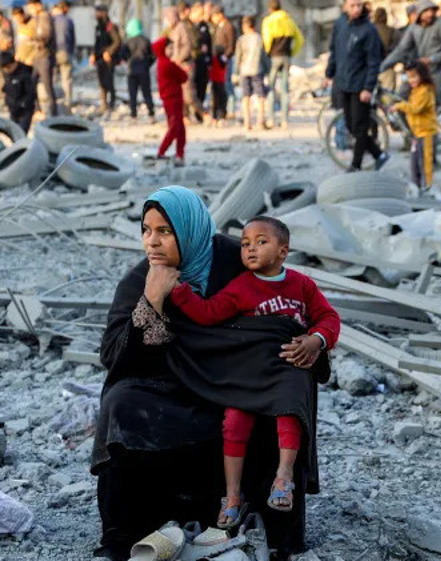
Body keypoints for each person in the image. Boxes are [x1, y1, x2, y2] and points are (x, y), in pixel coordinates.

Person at [93, 185, 325, 560]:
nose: (152, 242)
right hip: (172, 387)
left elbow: (292, 309)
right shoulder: (142, 279)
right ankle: (126, 533)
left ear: (189, 230)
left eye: (164, 232)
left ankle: (274, 525)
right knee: (121, 402)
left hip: (240, 383)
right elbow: (115, 359)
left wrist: (313, 340)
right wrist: (152, 300)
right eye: (146, 231)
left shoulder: (239, 260)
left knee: (289, 384)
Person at [168, 215, 340, 527]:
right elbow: (208, 314)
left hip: (289, 364)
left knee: (290, 406)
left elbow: (328, 317)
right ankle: (232, 495)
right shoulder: (241, 288)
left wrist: (316, 340)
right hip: (249, 368)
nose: (250, 249)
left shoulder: (302, 285)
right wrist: (179, 292)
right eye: (245, 244)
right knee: (234, 421)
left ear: (283, 251)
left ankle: (283, 477)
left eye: (261, 242)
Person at [326, 0, 389, 172]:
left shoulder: (369, 30)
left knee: (360, 127)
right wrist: (329, 73)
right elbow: (334, 50)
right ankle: (379, 154)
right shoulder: (340, 24)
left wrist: (368, 88)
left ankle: (356, 165)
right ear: (345, 5)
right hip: (343, 83)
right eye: (352, 5)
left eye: (359, 6)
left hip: (360, 87)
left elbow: (373, 62)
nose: (356, 9)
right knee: (350, 125)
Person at [390, 61, 437, 191]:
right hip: (416, 133)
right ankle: (416, 186)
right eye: (409, 77)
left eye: (414, 76)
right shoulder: (415, 90)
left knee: (425, 163)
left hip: (426, 133)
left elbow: (416, 109)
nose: (411, 80)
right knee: (414, 164)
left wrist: (399, 106)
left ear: (422, 75)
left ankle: (428, 186)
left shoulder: (425, 91)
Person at [262, 0, 304, 128]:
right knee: (285, 89)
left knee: (271, 88)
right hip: (286, 56)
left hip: (274, 57)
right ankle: (285, 120)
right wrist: (292, 51)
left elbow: (267, 40)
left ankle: (271, 119)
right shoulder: (289, 21)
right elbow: (300, 40)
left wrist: (268, 52)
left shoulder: (268, 21)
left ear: (270, 9)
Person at [409, 0, 441, 107]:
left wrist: (431, 59)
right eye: (426, 11)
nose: (430, 14)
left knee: (431, 106)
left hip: (439, 72)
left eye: (431, 11)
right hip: (422, 72)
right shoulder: (415, 29)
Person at [167, 4, 205, 123]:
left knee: (189, 95)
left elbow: (187, 46)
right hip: (176, 66)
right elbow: (170, 47)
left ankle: (206, 114)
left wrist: (179, 58)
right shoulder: (172, 30)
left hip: (186, 64)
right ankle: (184, 117)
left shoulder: (182, 27)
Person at [154, 38, 188, 165]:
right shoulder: (168, 64)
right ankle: (162, 151)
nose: (172, 51)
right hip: (173, 98)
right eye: (170, 48)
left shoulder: (162, 63)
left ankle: (180, 153)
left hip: (170, 98)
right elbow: (184, 77)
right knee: (175, 127)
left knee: (179, 127)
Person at [236, 15, 267, 131]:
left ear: (246, 26)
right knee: (261, 96)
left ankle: (247, 122)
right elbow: (264, 56)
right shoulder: (259, 38)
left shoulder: (241, 39)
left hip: (244, 70)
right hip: (257, 69)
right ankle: (260, 121)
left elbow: (238, 57)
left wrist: (236, 71)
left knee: (246, 97)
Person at [26, 0, 57, 117]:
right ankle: (37, 110)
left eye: (31, 7)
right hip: (38, 56)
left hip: (45, 56)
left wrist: (33, 40)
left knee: (47, 86)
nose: (30, 10)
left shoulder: (45, 17)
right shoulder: (37, 18)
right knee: (32, 84)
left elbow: (46, 36)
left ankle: (53, 113)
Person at [120, 18, 155, 121]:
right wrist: (147, 64)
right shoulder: (146, 40)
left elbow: (122, 55)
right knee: (147, 93)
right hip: (144, 70)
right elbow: (153, 56)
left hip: (132, 71)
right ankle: (151, 113)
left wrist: (128, 61)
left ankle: (133, 115)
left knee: (132, 93)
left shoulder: (128, 42)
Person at [91, 5, 121, 115]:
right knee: (101, 82)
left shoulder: (111, 27)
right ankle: (103, 105)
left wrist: (109, 51)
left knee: (109, 81)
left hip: (109, 59)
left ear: (104, 13)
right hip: (99, 59)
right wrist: (93, 55)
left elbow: (117, 41)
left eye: (98, 12)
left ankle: (111, 104)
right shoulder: (98, 28)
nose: (96, 15)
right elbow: (97, 43)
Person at [0, 51, 37, 133]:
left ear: (14, 63)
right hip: (12, 109)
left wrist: (23, 104)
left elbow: (31, 93)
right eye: (4, 69)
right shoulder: (7, 75)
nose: (7, 70)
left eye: (9, 67)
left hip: (25, 110)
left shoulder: (25, 74)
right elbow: (7, 88)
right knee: (13, 134)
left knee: (21, 133)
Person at [212, 6, 237, 118]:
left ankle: (231, 109)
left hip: (226, 59)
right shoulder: (219, 27)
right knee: (221, 84)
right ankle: (223, 109)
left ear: (220, 14)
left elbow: (231, 45)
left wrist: (225, 57)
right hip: (218, 60)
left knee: (227, 83)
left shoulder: (228, 26)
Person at [52, 2, 75, 109]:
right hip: (66, 51)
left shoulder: (52, 20)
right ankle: (67, 102)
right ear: (65, 8)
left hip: (54, 52)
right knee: (67, 78)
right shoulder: (68, 20)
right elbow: (72, 39)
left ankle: (54, 101)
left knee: (53, 78)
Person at [191, 3, 213, 115]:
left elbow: (208, 43)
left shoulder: (205, 26)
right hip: (194, 60)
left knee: (202, 86)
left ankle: (199, 113)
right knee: (192, 88)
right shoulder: (189, 26)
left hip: (203, 61)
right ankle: (195, 112)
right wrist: (199, 48)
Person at [373, 7, 398, 91]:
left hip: (373, 66)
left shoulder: (370, 30)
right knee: (388, 94)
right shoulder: (391, 30)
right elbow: (395, 48)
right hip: (388, 65)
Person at [210, 44, 229, 125]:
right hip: (221, 81)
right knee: (222, 99)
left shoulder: (213, 59)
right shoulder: (224, 59)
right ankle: (222, 116)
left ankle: (214, 117)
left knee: (215, 100)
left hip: (215, 81)